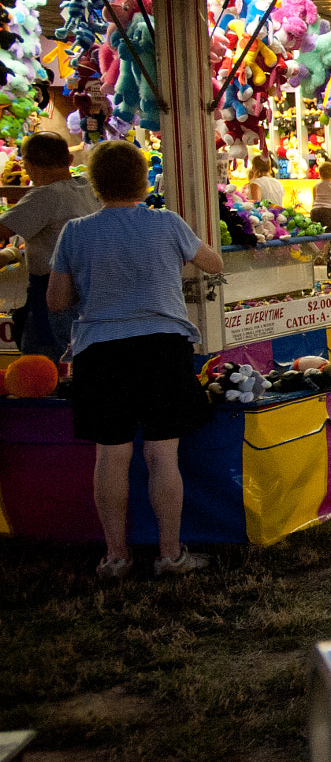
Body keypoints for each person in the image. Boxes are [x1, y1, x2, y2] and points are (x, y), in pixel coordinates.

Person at [47, 141, 222, 579]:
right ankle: (170, 553)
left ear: (95, 182)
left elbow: (56, 300)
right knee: (163, 454)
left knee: (111, 456)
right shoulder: (166, 223)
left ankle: (116, 556)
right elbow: (214, 263)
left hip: (100, 350)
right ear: (145, 180)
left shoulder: (75, 231)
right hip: (163, 347)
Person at [0, 132, 95, 360]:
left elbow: (3, 230)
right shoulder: (86, 188)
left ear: (28, 164)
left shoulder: (43, 197)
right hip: (87, 292)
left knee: (42, 367)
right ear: (69, 161)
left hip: (52, 294)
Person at [310, 161, 331, 229]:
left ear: (319, 173)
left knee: (316, 232)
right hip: (328, 211)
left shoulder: (316, 185)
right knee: (328, 232)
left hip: (315, 211)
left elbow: (314, 200)